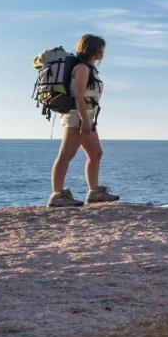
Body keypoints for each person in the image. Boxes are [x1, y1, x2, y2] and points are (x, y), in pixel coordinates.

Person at [46, 34, 119, 207]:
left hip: (86, 116)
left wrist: (88, 120)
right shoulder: (82, 69)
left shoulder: (87, 67)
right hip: (78, 117)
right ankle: (57, 195)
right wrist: (85, 121)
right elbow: (78, 96)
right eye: (101, 48)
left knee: (96, 154)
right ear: (93, 48)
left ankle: (94, 193)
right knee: (65, 155)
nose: (103, 52)